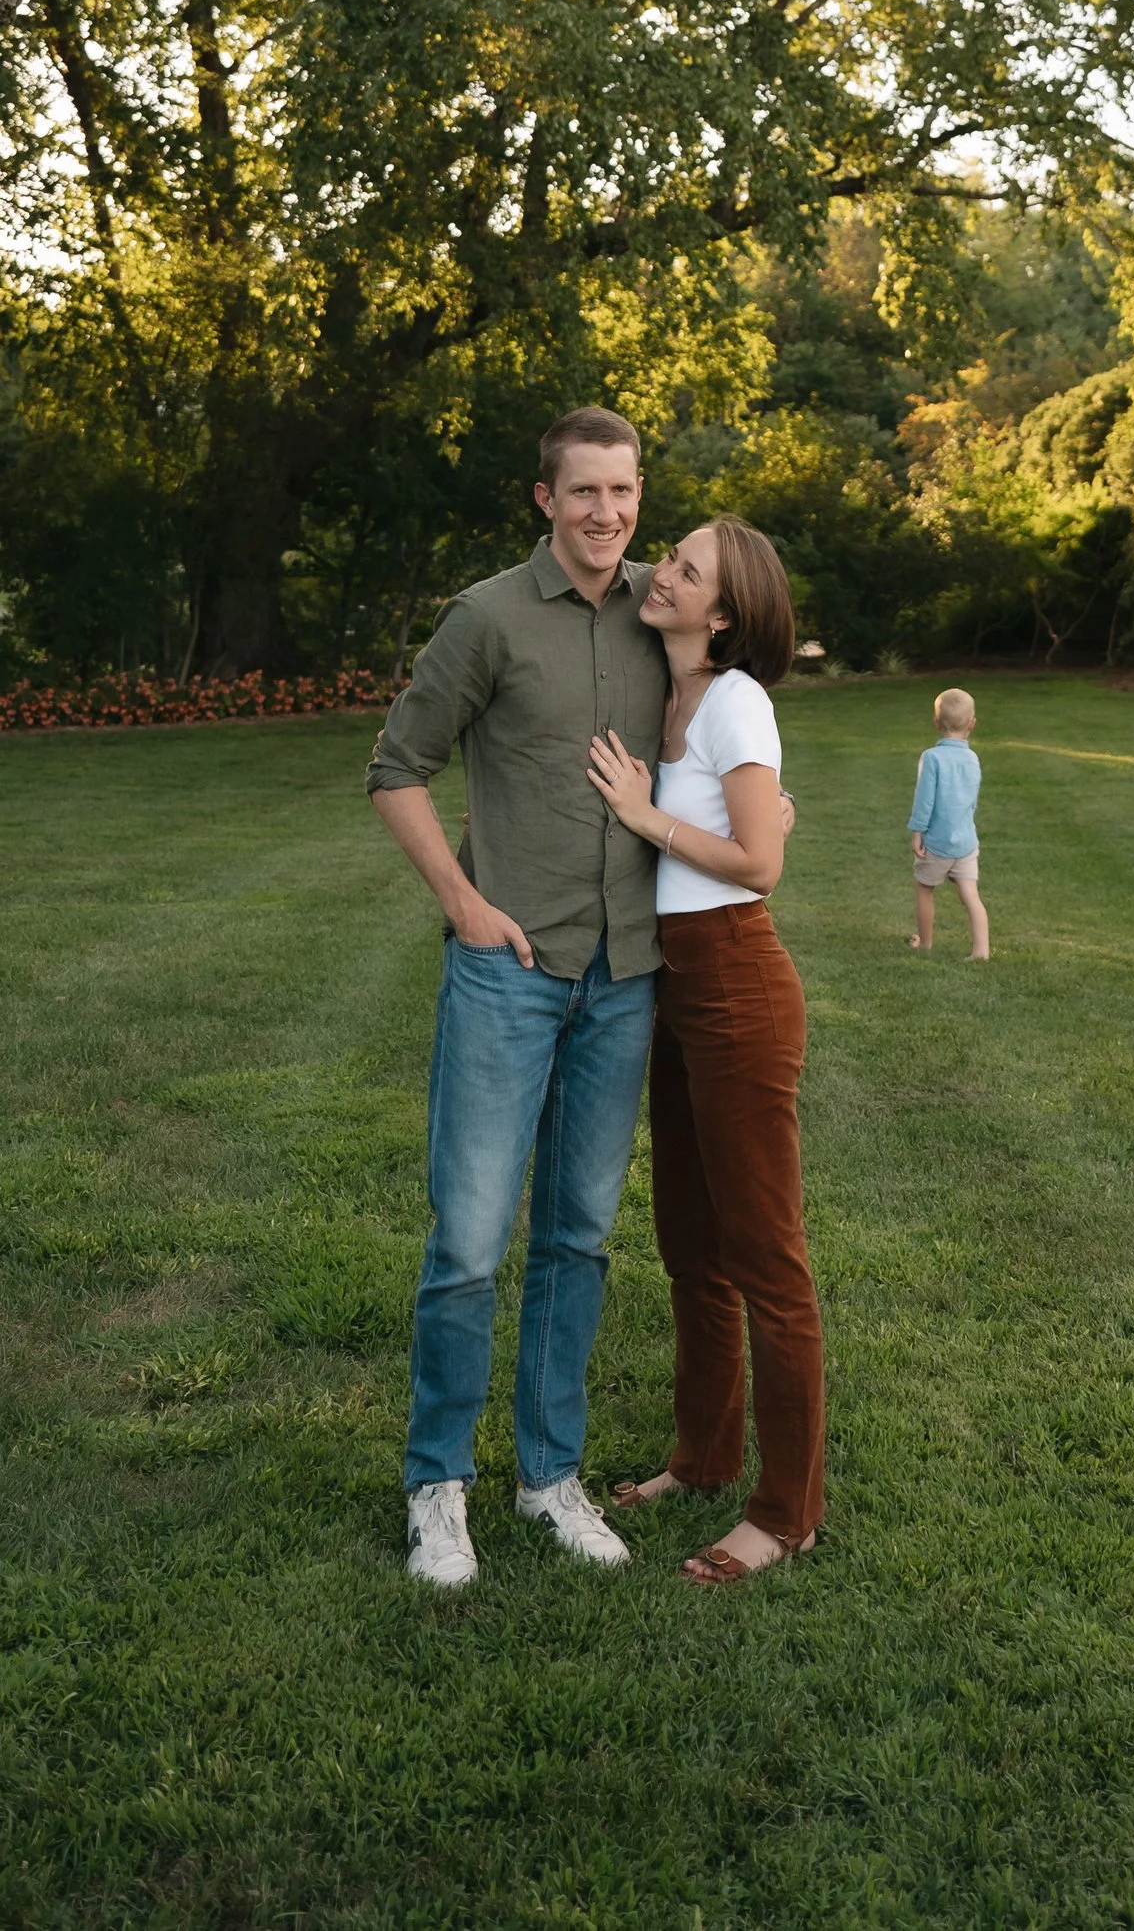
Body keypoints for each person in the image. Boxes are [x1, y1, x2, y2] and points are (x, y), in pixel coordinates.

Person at [367, 407, 668, 1591]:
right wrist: (462, 902)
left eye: (623, 491)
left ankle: (549, 1477)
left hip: (625, 974)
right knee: (469, 1241)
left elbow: (722, 723)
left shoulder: (661, 609)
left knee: (578, 1238)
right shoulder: (487, 617)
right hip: (510, 970)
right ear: (544, 498)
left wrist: (764, 804)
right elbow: (397, 767)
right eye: (584, 491)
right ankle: (436, 1484)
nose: (606, 513)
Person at [585, 517, 825, 1586]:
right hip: (670, 985)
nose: (662, 572)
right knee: (689, 1244)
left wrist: (646, 818)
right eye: (671, 556)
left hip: (736, 984)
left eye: (686, 570)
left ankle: (785, 1511)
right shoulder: (666, 690)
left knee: (765, 1258)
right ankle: (704, 1456)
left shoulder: (736, 702)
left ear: (723, 615)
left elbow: (760, 861)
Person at [908, 684, 989, 959]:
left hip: (936, 842)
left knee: (924, 889)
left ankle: (925, 944)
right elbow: (971, 800)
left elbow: (925, 800)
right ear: (972, 724)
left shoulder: (932, 758)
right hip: (966, 841)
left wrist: (917, 832)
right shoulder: (972, 758)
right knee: (971, 895)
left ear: (936, 723)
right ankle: (981, 950)